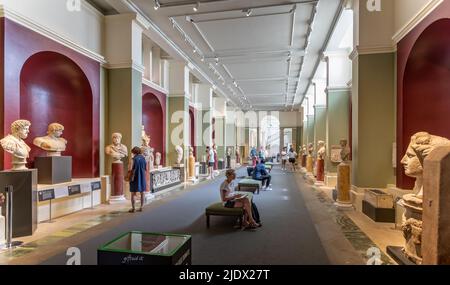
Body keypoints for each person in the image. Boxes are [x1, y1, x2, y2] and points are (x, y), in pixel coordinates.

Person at [128, 147, 147, 213]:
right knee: (142, 192)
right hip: (142, 177)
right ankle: (142, 207)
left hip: (134, 177)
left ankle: (133, 208)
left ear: (134, 152)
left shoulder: (133, 159)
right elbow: (145, 168)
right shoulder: (143, 158)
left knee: (133, 193)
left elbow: (130, 169)